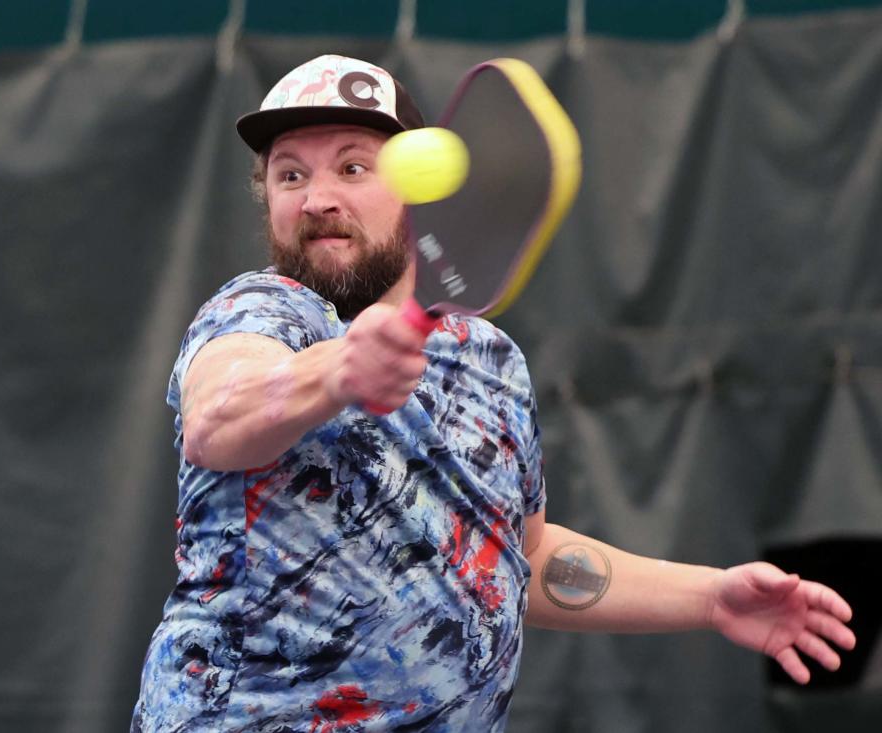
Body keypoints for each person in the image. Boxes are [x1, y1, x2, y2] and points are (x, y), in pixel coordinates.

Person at [132, 55, 856, 733]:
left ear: (422, 190)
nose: (318, 198)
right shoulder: (258, 311)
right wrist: (336, 375)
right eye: (290, 177)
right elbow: (219, 414)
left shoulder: (490, 362)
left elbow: (523, 558)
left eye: (352, 167)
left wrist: (709, 596)